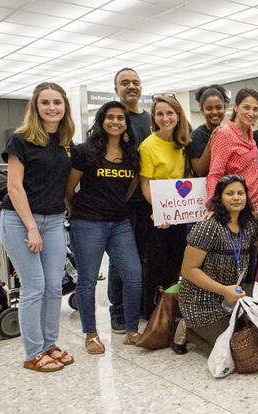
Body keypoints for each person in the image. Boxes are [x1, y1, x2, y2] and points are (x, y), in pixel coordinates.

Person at [0, 82, 74, 372]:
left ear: (64, 106)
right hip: (20, 220)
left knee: (55, 287)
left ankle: (48, 345)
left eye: (57, 102)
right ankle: (33, 353)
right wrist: (31, 227)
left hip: (54, 220)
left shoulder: (65, 142)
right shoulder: (21, 139)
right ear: (36, 106)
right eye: (46, 102)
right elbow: (14, 186)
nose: (52, 107)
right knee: (34, 286)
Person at [66, 101, 142, 352]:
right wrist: (76, 211)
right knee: (87, 280)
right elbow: (70, 188)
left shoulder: (132, 154)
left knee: (133, 275)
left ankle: (131, 330)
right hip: (87, 222)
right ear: (101, 120)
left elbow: (130, 188)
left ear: (126, 123)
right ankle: (91, 334)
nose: (116, 122)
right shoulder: (86, 151)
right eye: (110, 117)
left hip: (119, 222)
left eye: (121, 118)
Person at [180, 175, 258, 355]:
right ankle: (186, 329)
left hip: (236, 294)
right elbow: (188, 270)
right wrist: (224, 291)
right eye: (230, 193)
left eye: (241, 193)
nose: (236, 197)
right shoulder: (209, 226)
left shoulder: (249, 224)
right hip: (202, 301)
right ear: (219, 197)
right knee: (238, 351)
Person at [138, 94, 191, 318]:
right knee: (156, 265)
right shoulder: (148, 146)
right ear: (154, 117)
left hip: (181, 215)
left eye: (170, 113)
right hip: (158, 216)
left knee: (176, 263)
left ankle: (171, 310)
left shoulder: (184, 143)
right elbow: (146, 185)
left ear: (178, 116)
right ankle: (152, 313)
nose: (165, 118)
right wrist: (160, 211)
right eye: (160, 113)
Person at [109, 67, 151, 334]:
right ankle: (119, 312)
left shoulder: (151, 119)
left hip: (149, 200)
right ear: (116, 89)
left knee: (145, 257)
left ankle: (142, 306)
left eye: (135, 82)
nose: (131, 86)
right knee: (119, 259)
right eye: (125, 83)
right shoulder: (112, 117)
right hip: (119, 201)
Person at [206, 88, 258, 211]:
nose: (251, 113)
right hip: (238, 209)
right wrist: (212, 207)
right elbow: (214, 175)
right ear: (235, 107)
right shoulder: (224, 134)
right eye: (246, 107)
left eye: (255, 109)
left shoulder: (250, 135)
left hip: (257, 207)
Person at [189, 85, 230, 177]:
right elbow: (200, 172)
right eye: (209, 108)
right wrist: (212, 141)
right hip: (205, 189)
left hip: (227, 188)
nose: (215, 112)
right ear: (202, 111)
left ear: (224, 109)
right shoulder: (196, 136)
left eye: (219, 107)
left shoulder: (228, 133)